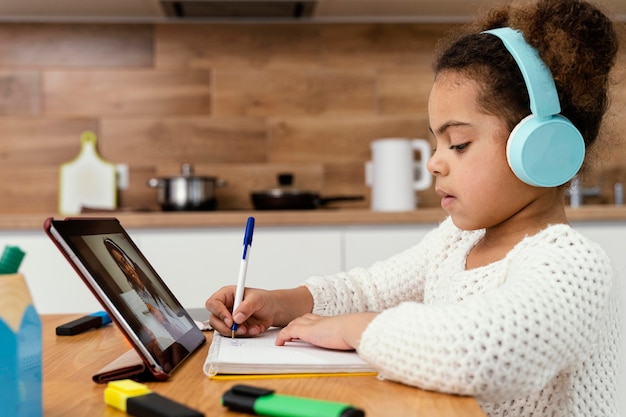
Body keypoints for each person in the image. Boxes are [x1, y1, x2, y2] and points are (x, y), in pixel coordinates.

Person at [205, 0, 619, 415]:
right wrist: (281, 303)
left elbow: (481, 355)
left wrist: (352, 329)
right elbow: (369, 290)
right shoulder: (457, 242)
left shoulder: (572, 266)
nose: (434, 162)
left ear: (544, 149)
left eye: (457, 143)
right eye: (436, 143)